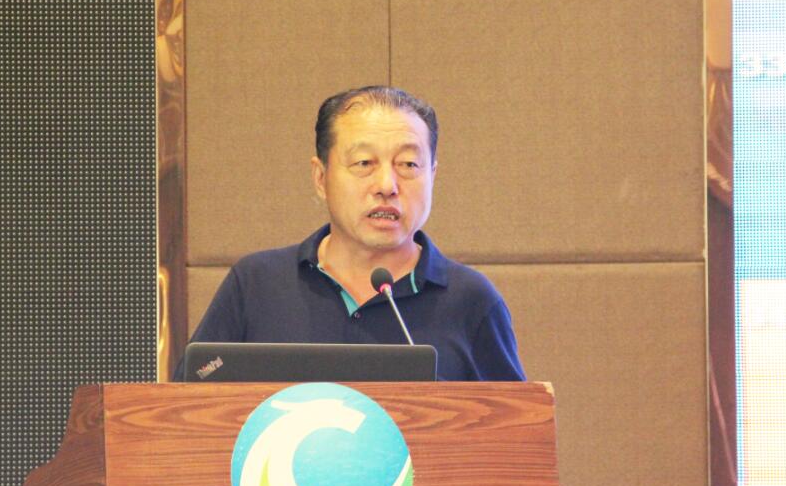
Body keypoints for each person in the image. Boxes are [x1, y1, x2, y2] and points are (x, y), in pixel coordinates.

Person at [173, 86, 526, 381]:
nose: (387, 185)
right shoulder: (257, 285)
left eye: (408, 165)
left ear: (432, 175)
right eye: (363, 163)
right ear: (321, 178)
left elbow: (516, 436)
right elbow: (180, 415)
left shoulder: (471, 301)